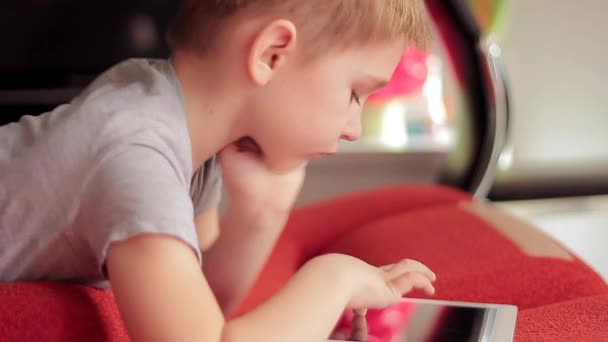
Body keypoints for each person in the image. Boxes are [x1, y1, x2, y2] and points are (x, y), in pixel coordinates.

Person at [0, 1, 437, 340]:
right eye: (356, 93)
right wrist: (333, 279)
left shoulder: (177, 120)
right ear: (271, 54)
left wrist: (259, 215)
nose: (354, 129)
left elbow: (202, 303)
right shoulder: (136, 153)